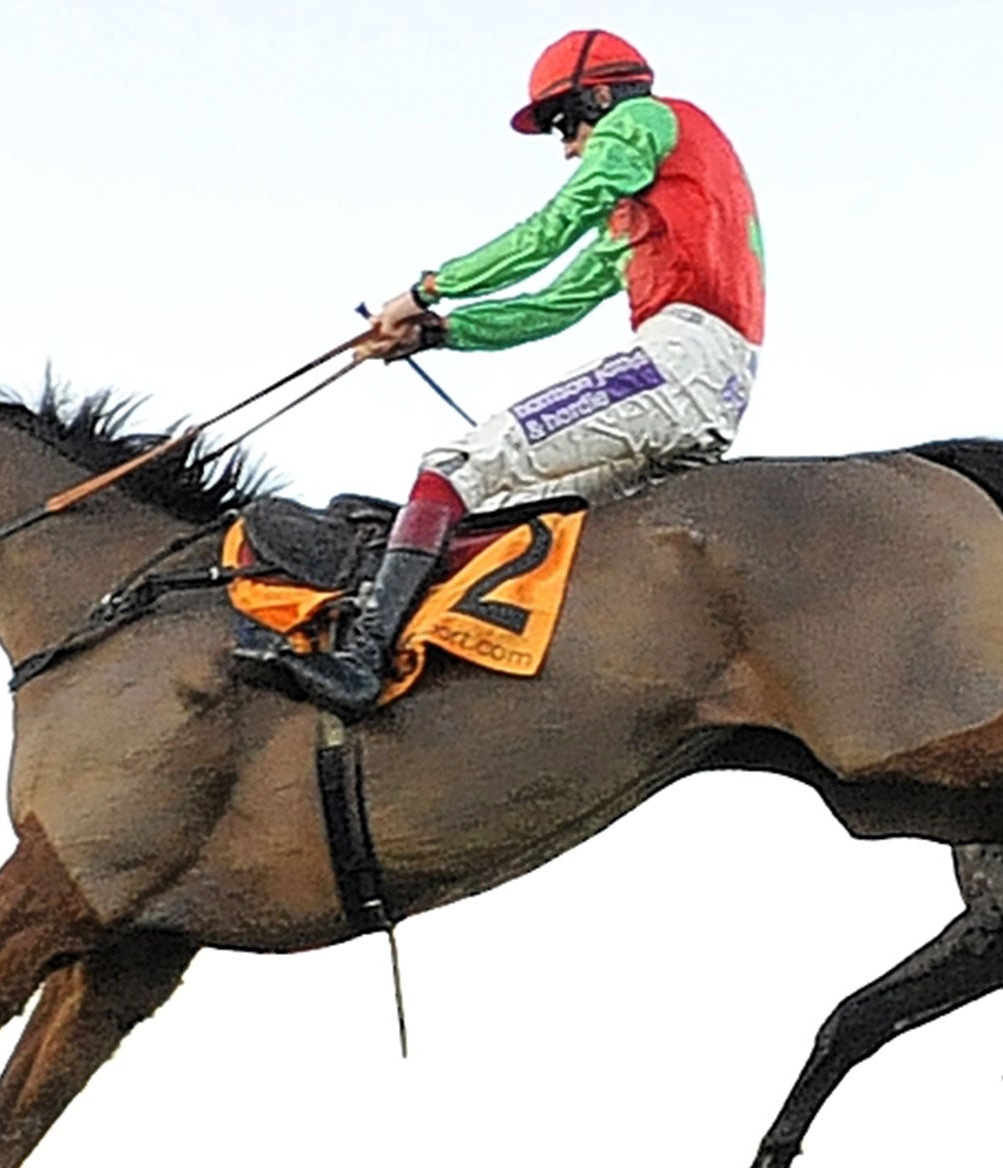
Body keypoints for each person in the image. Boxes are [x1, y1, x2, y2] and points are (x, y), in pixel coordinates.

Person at [277, 28, 766, 717]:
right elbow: (553, 307)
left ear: (601, 95)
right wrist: (439, 334)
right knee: (505, 520)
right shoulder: (659, 203)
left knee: (452, 464)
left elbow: (550, 230)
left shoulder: (645, 120)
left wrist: (426, 289)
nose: (567, 148)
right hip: (709, 385)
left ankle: (362, 658)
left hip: (675, 364)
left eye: (567, 125)